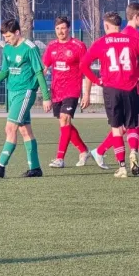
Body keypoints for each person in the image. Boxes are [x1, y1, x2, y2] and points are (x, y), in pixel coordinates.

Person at [80, 11, 139, 178]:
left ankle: (122, 166)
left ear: (106, 26)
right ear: (119, 25)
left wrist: (97, 80)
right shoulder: (131, 40)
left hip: (111, 89)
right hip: (130, 87)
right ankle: (134, 152)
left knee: (116, 128)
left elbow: (83, 65)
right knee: (131, 126)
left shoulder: (101, 42)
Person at [0, 19, 52, 178]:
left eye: (9, 36)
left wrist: (46, 97)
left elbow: (39, 72)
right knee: (25, 130)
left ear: (17, 32)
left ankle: (0, 166)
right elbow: (4, 72)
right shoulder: (8, 49)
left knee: (10, 128)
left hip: (25, 92)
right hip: (12, 92)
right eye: (5, 37)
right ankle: (35, 168)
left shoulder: (30, 48)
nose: (6, 40)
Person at [42, 16, 91, 168]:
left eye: (63, 28)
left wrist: (87, 93)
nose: (60, 31)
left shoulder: (78, 46)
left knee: (64, 119)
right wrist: (44, 94)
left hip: (72, 89)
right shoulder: (51, 46)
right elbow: (43, 68)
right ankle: (84, 150)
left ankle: (60, 158)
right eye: (57, 28)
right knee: (65, 125)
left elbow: (87, 70)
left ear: (68, 28)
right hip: (56, 91)